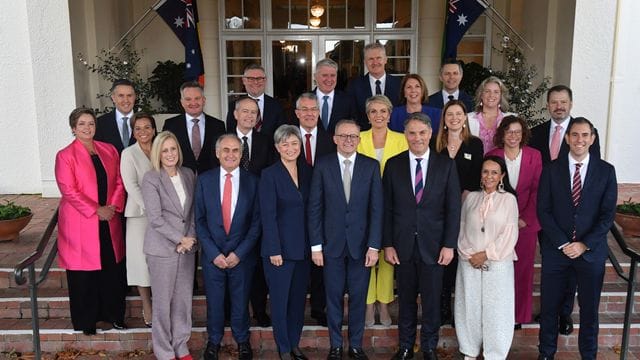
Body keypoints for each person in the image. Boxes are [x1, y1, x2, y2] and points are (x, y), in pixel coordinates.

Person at [382, 112, 461, 360]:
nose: (417, 138)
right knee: (405, 301)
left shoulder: (446, 164)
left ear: (430, 134)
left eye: (422, 132)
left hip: (434, 247)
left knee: (431, 302)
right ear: (405, 135)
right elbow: (386, 208)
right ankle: (405, 346)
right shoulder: (393, 164)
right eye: (412, 133)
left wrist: (449, 245)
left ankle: (428, 347)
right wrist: (388, 244)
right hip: (403, 246)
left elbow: (453, 209)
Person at [537, 118, 617, 360]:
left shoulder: (606, 171)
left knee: (589, 311)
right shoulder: (551, 169)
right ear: (567, 138)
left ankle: (588, 355)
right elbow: (544, 210)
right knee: (550, 308)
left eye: (584, 135)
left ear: (592, 138)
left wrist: (583, 244)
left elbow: (607, 215)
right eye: (574, 135)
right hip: (556, 252)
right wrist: (563, 243)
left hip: (590, 253)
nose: (579, 140)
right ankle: (546, 353)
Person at [529, 85, 602, 336]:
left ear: (570, 104)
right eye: (554, 102)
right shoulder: (537, 133)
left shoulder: (585, 133)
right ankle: (551, 307)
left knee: (573, 264)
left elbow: (594, 174)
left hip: (575, 214)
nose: (558, 106)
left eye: (563, 102)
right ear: (548, 105)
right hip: (546, 211)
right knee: (552, 260)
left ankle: (564, 312)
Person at [308, 119, 383, 360]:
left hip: (362, 248)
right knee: (333, 298)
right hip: (331, 246)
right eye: (344, 136)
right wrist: (316, 246)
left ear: (359, 139)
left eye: (353, 136)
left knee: (360, 298)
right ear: (335, 139)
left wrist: (374, 245)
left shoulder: (371, 166)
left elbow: (376, 210)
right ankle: (336, 346)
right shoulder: (323, 165)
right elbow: (315, 208)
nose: (349, 140)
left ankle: (356, 346)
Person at [55, 107, 127, 335]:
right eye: (82, 124)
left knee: (110, 270)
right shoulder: (65, 155)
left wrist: (112, 207)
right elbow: (69, 190)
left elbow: (119, 181)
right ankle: (87, 321)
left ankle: (113, 316)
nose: (87, 128)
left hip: (109, 219)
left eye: (91, 123)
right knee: (83, 276)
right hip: (81, 223)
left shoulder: (109, 150)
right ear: (73, 128)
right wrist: (96, 210)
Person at [196, 134, 261, 360]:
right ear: (217, 153)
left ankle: (242, 340)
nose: (230, 154)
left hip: (241, 255)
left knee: (241, 300)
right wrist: (213, 254)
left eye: (235, 150)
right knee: (214, 302)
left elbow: (256, 223)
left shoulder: (253, 181)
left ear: (241, 154)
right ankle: (213, 342)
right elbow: (200, 220)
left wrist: (239, 253)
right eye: (226, 150)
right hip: (213, 256)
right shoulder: (204, 180)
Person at [454, 155, 519, 360]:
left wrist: (486, 255)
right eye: (485, 172)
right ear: (480, 175)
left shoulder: (508, 199)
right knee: (469, 308)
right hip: (469, 262)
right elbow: (462, 229)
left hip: (497, 263)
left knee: (497, 310)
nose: (489, 176)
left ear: (502, 176)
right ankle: (469, 351)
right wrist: (469, 254)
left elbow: (509, 233)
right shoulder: (471, 198)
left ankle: (495, 354)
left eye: (494, 172)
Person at [141, 131, 197, 360]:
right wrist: (179, 239)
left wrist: (190, 238)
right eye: (165, 150)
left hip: (187, 249)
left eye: (173, 149)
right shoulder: (151, 178)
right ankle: (164, 351)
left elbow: (193, 211)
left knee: (183, 301)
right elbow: (155, 218)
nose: (170, 154)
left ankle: (181, 346)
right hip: (162, 249)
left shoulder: (188, 174)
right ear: (158, 154)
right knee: (163, 303)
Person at [260, 125, 313, 360]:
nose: (290, 148)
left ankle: (294, 343)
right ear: (277, 147)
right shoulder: (269, 174)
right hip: (279, 252)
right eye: (285, 144)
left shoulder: (309, 171)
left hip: (303, 250)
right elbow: (267, 215)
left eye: (294, 143)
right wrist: (274, 248)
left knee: (297, 302)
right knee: (280, 303)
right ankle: (283, 347)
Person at [356, 95, 407, 327]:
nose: (378, 115)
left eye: (383, 111)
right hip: (362, 205)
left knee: (387, 256)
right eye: (373, 111)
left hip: (393, 205)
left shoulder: (402, 139)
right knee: (365, 257)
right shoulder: (358, 138)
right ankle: (368, 306)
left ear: (390, 114)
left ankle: (384, 305)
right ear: (367, 116)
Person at [487, 116, 542, 328]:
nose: (513, 136)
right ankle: (496, 312)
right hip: (497, 223)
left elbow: (538, 191)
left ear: (523, 134)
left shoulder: (534, 156)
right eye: (509, 131)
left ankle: (518, 316)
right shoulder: (492, 155)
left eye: (517, 132)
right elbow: (488, 187)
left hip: (525, 224)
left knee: (522, 270)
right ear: (502, 134)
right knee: (497, 267)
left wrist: (524, 219)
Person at [432, 100, 483, 326]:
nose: (454, 118)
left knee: (460, 257)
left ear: (465, 118)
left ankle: (458, 307)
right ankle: (442, 306)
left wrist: (466, 194)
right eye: (450, 114)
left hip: (466, 209)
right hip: (437, 211)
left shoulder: (475, 144)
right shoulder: (435, 143)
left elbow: (477, 176)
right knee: (442, 257)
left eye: (459, 114)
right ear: (444, 118)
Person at [230, 96, 274, 327]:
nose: (248, 116)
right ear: (235, 114)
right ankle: (236, 312)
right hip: (229, 213)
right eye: (244, 111)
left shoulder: (265, 142)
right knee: (234, 264)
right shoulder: (224, 141)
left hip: (258, 212)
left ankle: (258, 310)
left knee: (257, 266)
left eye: (253, 113)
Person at [293, 92, 335, 325]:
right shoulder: (287, 138)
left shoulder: (331, 140)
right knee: (299, 261)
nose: (309, 114)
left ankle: (319, 308)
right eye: (305, 109)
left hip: (325, 211)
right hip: (295, 212)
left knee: (321, 262)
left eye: (313, 109)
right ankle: (297, 308)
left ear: (319, 113)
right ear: (297, 113)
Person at [120, 112, 157, 328]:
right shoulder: (128, 153)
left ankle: (161, 303)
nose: (143, 132)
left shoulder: (162, 148)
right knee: (141, 262)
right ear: (133, 132)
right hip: (139, 214)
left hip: (165, 214)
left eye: (147, 127)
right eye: (138, 128)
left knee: (159, 261)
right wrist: (150, 208)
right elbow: (131, 185)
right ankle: (147, 305)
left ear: (154, 129)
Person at [163, 81, 226, 174]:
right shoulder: (171, 125)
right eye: (188, 99)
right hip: (180, 179)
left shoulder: (218, 125)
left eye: (197, 98)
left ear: (203, 100)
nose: (193, 102)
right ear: (182, 102)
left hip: (210, 179)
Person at [347, 43, 401, 130]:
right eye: (371, 59)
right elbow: (353, 115)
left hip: (394, 137)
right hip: (364, 138)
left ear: (385, 60)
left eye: (378, 58)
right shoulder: (354, 86)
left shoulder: (399, 84)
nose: (375, 62)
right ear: (365, 62)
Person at [226, 64, 287, 140]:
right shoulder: (234, 105)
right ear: (244, 81)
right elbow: (230, 134)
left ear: (265, 81)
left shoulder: (277, 106)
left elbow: (282, 135)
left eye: (259, 78)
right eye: (251, 79)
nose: (255, 82)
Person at [467, 76, 514, 154]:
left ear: (501, 96)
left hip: (501, 164)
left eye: (496, 92)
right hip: (474, 164)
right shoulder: (467, 118)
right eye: (487, 91)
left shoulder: (511, 119)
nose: (491, 95)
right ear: (481, 95)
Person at [312, 58, 355, 134]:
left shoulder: (348, 101)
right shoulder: (303, 100)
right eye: (325, 75)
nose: (329, 79)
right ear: (315, 77)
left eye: (333, 75)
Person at [95, 79, 137, 153]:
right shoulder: (100, 123)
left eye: (129, 95)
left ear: (135, 97)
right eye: (121, 96)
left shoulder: (146, 121)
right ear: (113, 98)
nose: (126, 100)